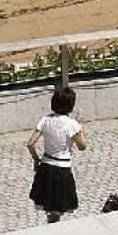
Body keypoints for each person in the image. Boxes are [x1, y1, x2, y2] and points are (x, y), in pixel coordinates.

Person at [28, 87, 87, 222]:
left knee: (49, 207)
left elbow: (30, 144)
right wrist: (80, 127)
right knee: (58, 209)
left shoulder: (45, 120)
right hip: (62, 168)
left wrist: (36, 159)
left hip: (46, 165)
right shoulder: (72, 124)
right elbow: (82, 146)